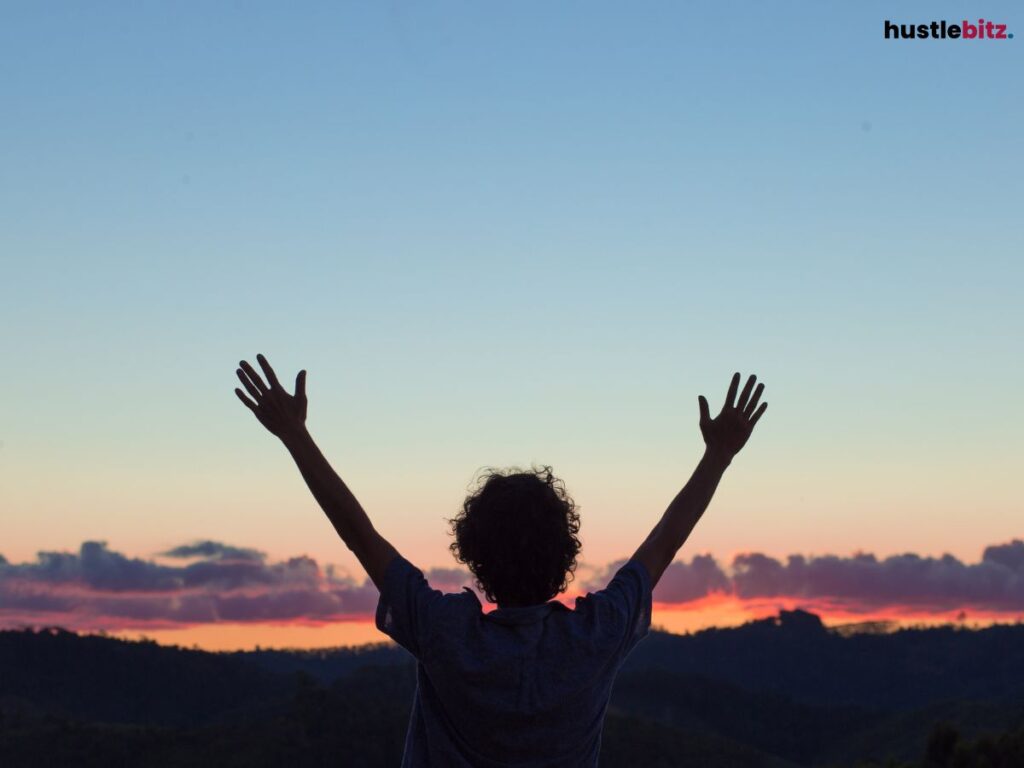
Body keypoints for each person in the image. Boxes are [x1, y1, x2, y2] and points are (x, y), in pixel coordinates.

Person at [235, 354, 767, 767]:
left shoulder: (445, 633)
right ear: (565, 552)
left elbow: (358, 535)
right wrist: (718, 456)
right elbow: (665, 543)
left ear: (473, 553)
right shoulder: (595, 638)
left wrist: (295, 436)